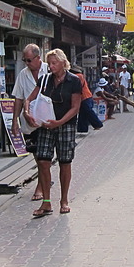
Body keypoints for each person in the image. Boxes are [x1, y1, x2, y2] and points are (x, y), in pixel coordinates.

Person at [24, 49, 81, 216]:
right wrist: (27, 112)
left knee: (65, 162)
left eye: (54, 63)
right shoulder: (45, 80)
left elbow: (75, 107)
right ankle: (46, 202)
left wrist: (60, 122)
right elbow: (29, 99)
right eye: (49, 63)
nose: (51, 66)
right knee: (42, 161)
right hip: (46, 125)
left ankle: (64, 200)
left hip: (65, 125)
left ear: (63, 63)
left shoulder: (73, 81)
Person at [11, 44, 49, 201]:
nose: (27, 63)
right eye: (24, 60)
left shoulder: (49, 69)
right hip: (30, 122)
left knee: (43, 157)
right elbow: (18, 98)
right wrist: (14, 121)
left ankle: (41, 186)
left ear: (38, 58)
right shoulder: (23, 74)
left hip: (47, 120)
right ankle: (44, 182)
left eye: (29, 60)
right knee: (37, 155)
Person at [71, 65, 103, 134]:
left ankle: (97, 124)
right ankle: (82, 129)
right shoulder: (78, 76)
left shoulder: (78, 76)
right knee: (83, 113)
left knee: (88, 111)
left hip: (85, 97)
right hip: (83, 97)